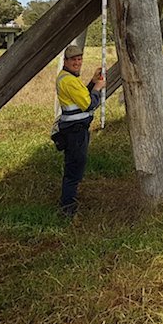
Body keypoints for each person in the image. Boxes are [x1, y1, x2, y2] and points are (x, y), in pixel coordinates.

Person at [53, 44, 105, 217]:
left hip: (73, 130)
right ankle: (67, 208)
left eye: (79, 59)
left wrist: (92, 82)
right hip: (75, 131)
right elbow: (89, 103)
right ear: (65, 61)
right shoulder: (68, 80)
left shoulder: (69, 78)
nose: (77, 62)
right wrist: (98, 88)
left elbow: (82, 96)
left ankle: (69, 201)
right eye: (74, 59)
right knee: (74, 168)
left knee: (74, 166)